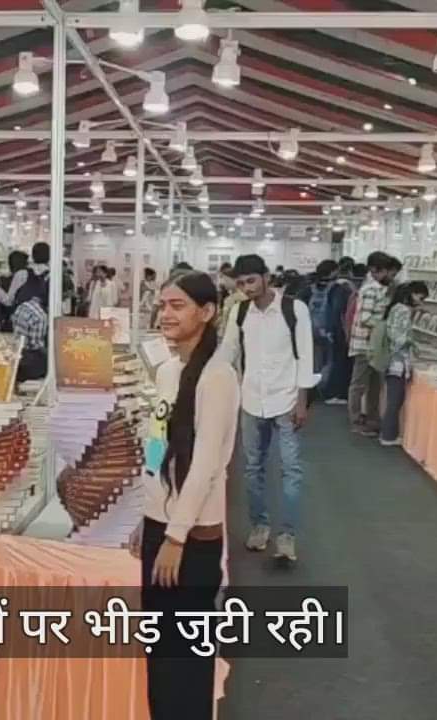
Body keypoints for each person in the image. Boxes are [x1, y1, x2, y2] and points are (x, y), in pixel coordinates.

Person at [131, 271, 237, 720]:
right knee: (160, 650)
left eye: (177, 305)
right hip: (161, 527)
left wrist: (175, 536)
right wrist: (148, 514)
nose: (166, 314)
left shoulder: (218, 377)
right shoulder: (168, 372)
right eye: (162, 305)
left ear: (206, 312)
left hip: (191, 537)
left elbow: (206, 465)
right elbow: (157, 449)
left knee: (186, 656)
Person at [215, 254, 316, 563]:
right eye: (241, 283)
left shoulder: (294, 309)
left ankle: (287, 536)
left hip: (286, 400)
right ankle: (260, 526)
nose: (247, 288)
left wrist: (302, 401)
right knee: (252, 468)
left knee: (291, 470)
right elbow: (228, 351)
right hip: (251, 400)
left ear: (266, 277)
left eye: (251, 281)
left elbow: (305, 356)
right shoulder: (239, 312)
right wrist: (206, 377)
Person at [373, 281, 428, 447]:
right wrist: (413, 343)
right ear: (412, 294)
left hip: (392, 359)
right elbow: (399, 338)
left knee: (393, 398)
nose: (421, 301)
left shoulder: (395, 308)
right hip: (397, 361)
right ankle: (389, 435)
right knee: (395, 399)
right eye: (420, 297)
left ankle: (389, 433)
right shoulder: (403, 310)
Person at [348, 252, 397, 437]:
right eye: (386, 271)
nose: (389, 276)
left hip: (376, 346)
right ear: (375, 270)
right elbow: (365, 318)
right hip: (365, 345)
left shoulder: (381, 289)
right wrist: (385, 325)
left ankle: (372, 420)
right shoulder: (370, 290)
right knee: (359, 385)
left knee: (375, 386)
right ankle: (356, 421)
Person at [322, 257, 358, 405]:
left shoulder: (333, 287)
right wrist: (346, 332)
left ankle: (333, 392)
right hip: (341, 331)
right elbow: (342, 312)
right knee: (340, 363)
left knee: (335, 362)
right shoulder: (345, 288)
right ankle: (336, 393)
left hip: (334, 330)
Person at [307, 260, 339, 403]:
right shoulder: (336, 289)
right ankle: (324, 389)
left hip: (311, 330)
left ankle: (312, 388)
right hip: (328, 330)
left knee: (314, 361)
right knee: (330, 360)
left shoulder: (309, 288)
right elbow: (336, 311)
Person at [12, 285, 49, 381]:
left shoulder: (22, 306)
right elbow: (36, 345)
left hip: (16, 354)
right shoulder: (41, 316)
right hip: (29, 359)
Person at [0, 241, 49, 309]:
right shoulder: (52, 275)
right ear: (49, 256)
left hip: (24, 313)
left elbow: (9, 301)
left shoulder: (22, 274)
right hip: (44, 313)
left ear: (33, 256)